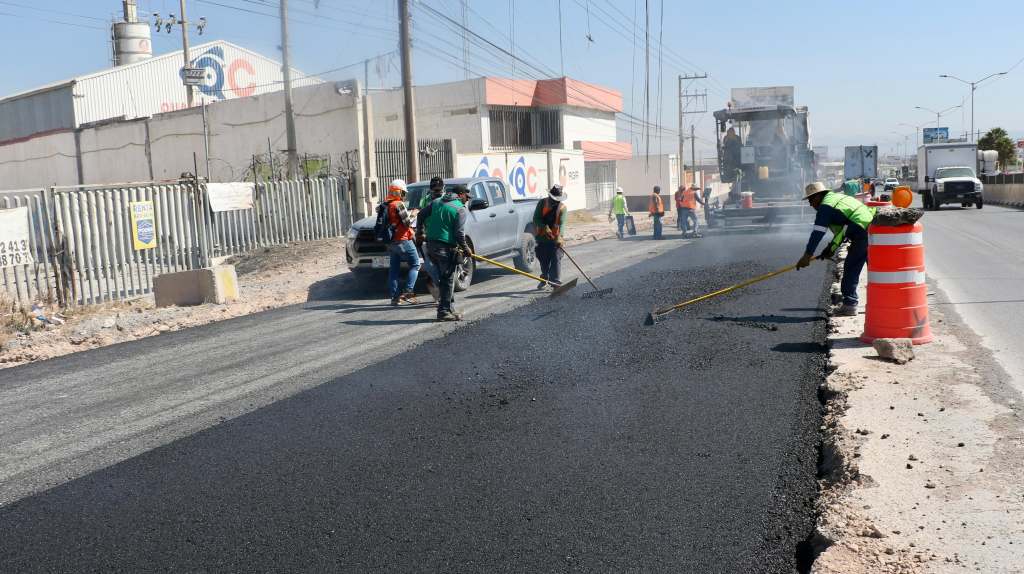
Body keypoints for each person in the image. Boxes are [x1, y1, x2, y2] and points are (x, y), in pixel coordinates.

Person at [796, 182, 876, 317]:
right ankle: (883, 302)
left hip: (860, 230)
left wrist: (807, 255)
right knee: (876, 270)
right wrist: (830, 249)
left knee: (851, 267)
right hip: (871, 227)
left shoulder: (825, 207)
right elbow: (842, 232)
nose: (810, 204)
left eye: (810, 200)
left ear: (818, 196)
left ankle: (849, 305)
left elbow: (817, 233)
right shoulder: (838, 199)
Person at [416, 182, 472, 322]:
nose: (468, 199)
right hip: (445, 248)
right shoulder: (460, 209)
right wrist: (466, 248)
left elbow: (420, 215)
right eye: (467, 196)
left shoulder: (436, 202)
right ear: (460, 195)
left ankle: (448, 308)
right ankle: (444, 311)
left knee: (444, 278)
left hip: (431, 246)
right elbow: (459, 234)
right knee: (448, 279)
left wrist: (420, 232)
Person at [383, 179, 421, 306]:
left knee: (393, 270)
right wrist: (414, 214)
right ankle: (408, 293)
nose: (404, 196)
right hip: (403, 239)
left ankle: (395, 298)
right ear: (398, 192)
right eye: (403, 193)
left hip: (391, 241)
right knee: (415, 264)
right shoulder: (398, 204)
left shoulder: (386, 204)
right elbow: (407, 223)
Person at [417, 176, 446, 302]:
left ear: (443, 188)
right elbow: (421, 217)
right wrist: (420, 232)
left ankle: (444, 295)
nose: (437, 192)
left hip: (443, 238)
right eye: (435, 189)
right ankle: (439, 293)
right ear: (430, 189)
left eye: (439, 189)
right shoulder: (425, 201)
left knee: (444, 268)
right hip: (428, 238)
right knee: (430, 267)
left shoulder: (447, 199)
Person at [533, 184, 569, 288]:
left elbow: (562, 224)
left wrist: (560, 237)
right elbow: (536, 219)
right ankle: (544, 277)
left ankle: (556, 282)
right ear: (549, 196)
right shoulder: (542, 203)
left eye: (558, 200)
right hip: (542, 237)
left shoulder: (562, 208)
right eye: (554, 199)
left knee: (556, 257)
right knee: (543, 260)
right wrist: (544, 227)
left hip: (555, 239)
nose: (556, 202)